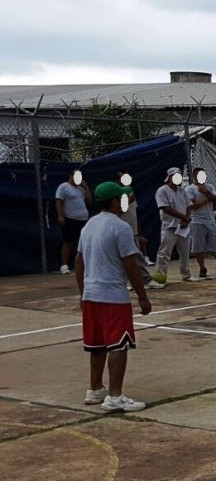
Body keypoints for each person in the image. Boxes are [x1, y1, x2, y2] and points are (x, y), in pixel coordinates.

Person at [76, 181, 152, 413]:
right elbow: (130, 264)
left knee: (97, 344)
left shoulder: (89, 226)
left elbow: (79, 262)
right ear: (114, 202)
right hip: (113, 295)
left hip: (91, 294)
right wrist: (142, 296)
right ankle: (115, 396)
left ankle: (95, 389)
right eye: (122, 198)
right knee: (119, 343)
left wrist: (82, 292)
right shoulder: (121, 228)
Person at [153, 168, 192, 287]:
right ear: (169, 177)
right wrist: (183, 217)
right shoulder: (162, 191)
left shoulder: (182, 191)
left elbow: (189, 206)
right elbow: (165, 208)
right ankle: (160, 277)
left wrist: (186, 218)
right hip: (170, 226)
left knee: (185, 252)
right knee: (164, 252)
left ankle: (186, 274)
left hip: (183, 226)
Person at [56, 169, 92, 274]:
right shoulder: (63, 187)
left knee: (85, 243)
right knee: (68, 243)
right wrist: (60, 216)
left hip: (83, 219)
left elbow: (89, 201)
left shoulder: (81, 189)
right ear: (70, 176)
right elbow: (59, 201)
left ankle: (86, 265)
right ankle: (64, 266)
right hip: (70, 218)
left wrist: (86, 188)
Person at [115, 172, 151, 266]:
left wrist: (138, 230)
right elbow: (117, 210)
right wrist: (128, 200)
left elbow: (134, 213)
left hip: (133, 229)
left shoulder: (130, 193)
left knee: (137, 250)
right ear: (118, 180)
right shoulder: (116, 195)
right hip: (122, 228)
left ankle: (142, 266)